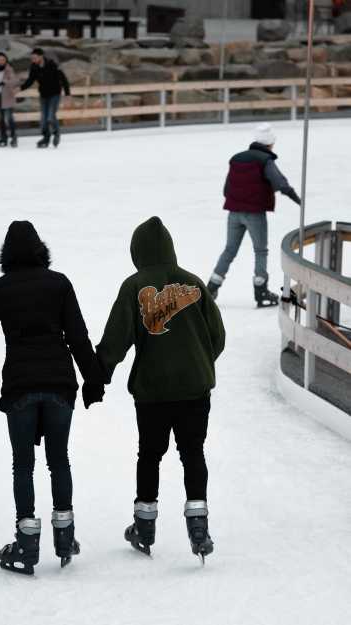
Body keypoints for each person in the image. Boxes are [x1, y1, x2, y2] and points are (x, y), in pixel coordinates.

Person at [0, 221, 104, 575]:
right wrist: (93, 380)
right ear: (40, 249)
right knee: (59, 460)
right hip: (59, 384)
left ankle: (26, 541)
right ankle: (65, 536)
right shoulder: (59, 283)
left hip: (20, 385)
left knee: (24, 464)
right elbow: (79, 337)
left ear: (7, 253)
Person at [96, 216, 225, 563]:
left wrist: (99, 376)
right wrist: (198, 362)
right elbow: (218, 336)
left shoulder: (134, 286)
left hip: (152, 391)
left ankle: (145, 525)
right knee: (192, 453)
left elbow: (115, 339)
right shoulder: (195, 284)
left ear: (137, 252)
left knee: (150, 454)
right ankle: (199, 525)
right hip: (195, 389)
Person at [207, 123, 301, 308]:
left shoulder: (237, 159)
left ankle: (211, 287)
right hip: (254, 215)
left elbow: (227, 189)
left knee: (229, 250)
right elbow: (280, 183)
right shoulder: (265, 160)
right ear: (270, 144)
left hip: (234, 213)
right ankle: (261, 290)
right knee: (260, 250)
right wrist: (297, 199)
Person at [18, 48, 70, 149]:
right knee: (44, 118)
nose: (33, 59)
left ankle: (56, 133)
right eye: (32, 58)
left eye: (34, 58)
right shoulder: (34, 67)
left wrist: (67, 94)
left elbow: (63, 78)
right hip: (43, 95)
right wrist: (20, 88)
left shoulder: (52, 64)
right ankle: (46, 137)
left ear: (41, 56)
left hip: (55, 94)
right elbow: (30, 80)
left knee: (50, 116)